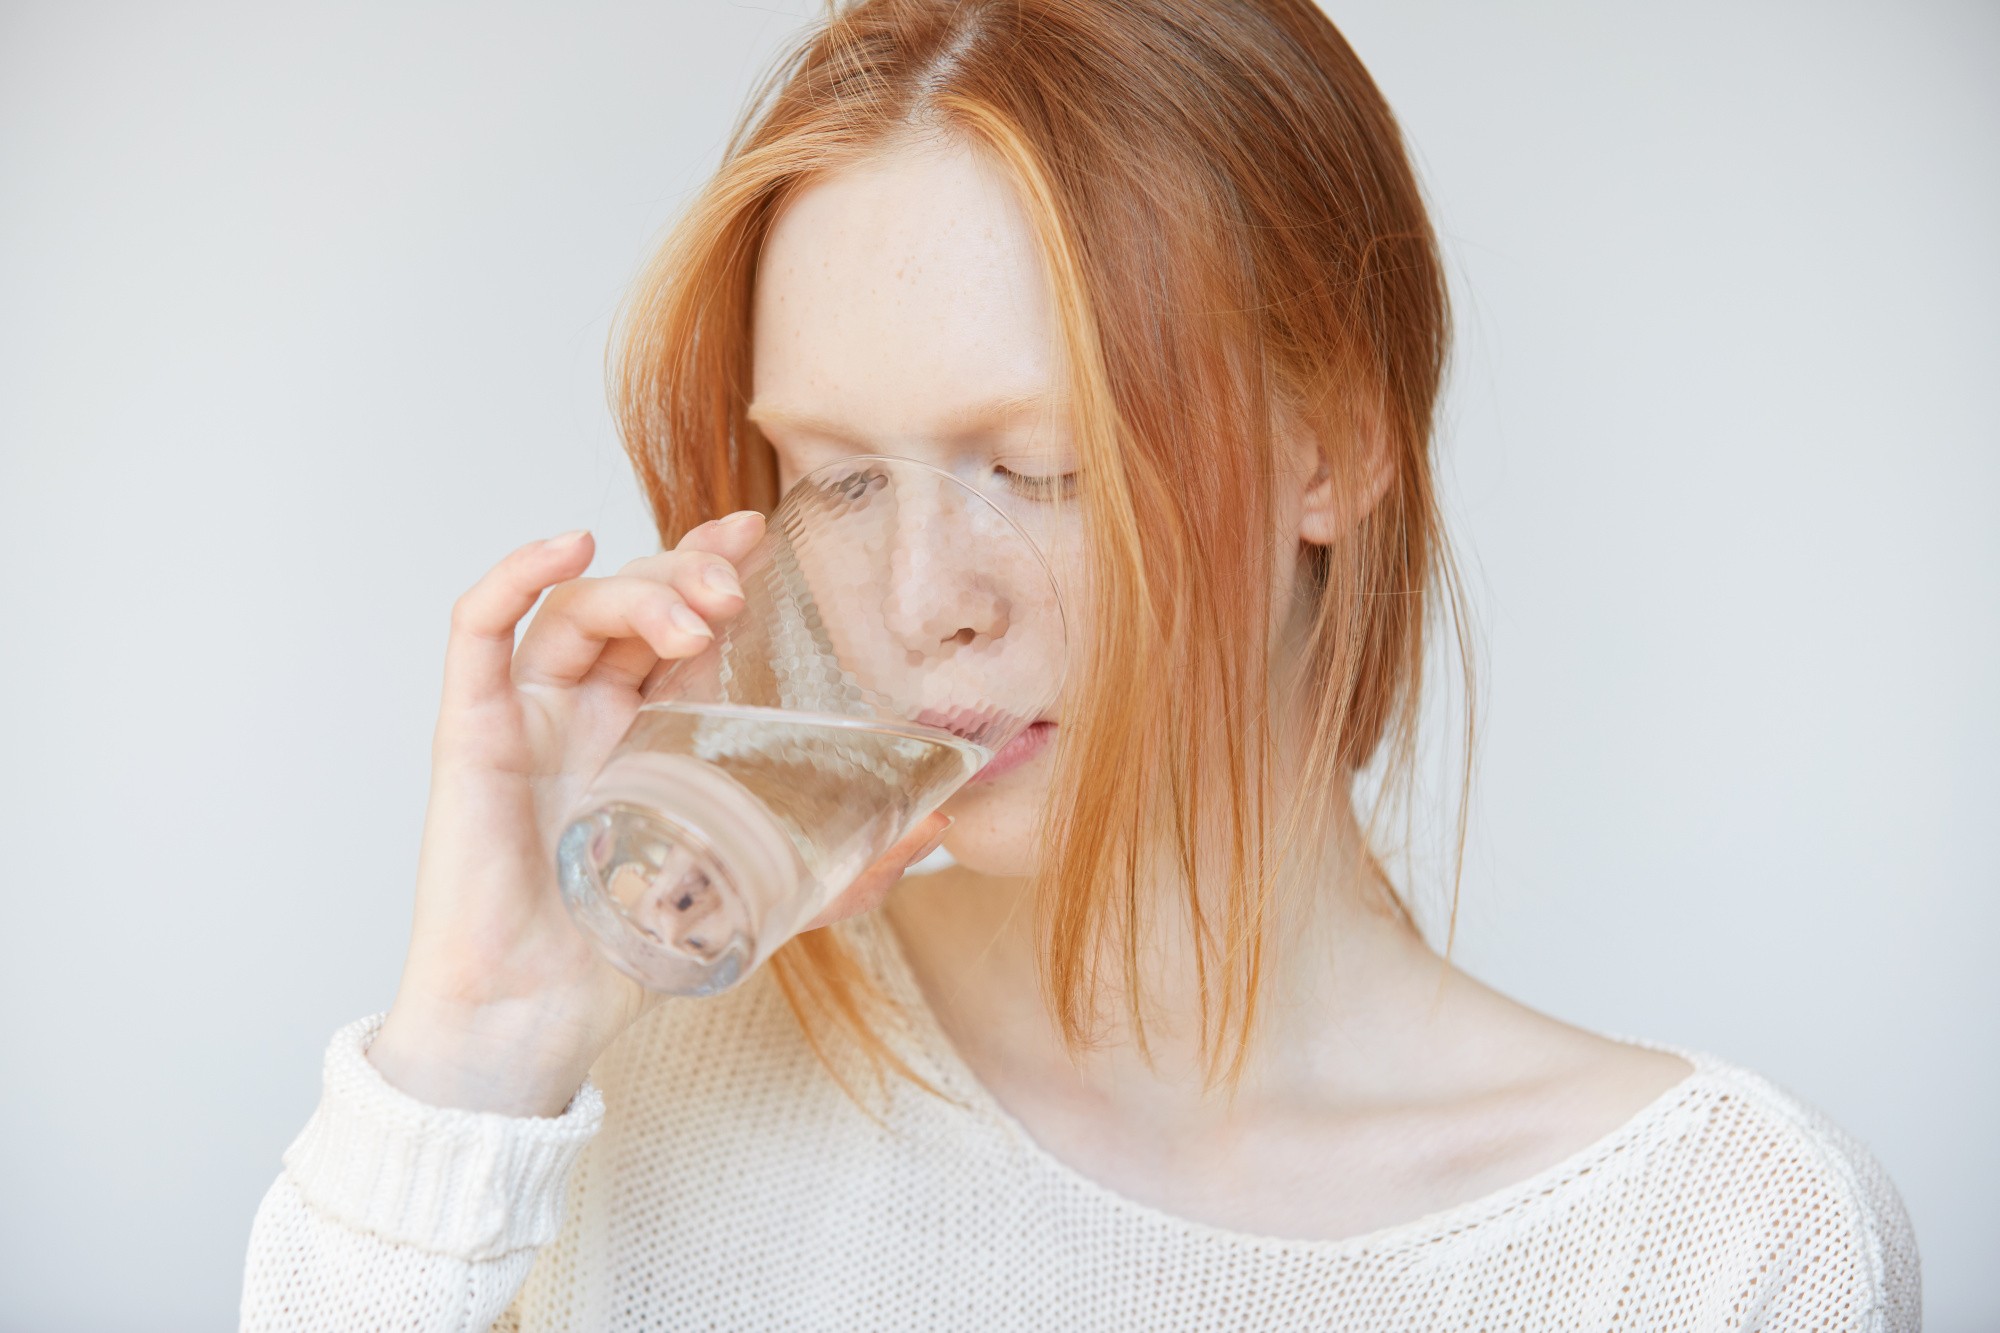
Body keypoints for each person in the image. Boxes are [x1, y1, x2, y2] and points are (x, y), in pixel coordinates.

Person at [240, 1, 1919, 1328]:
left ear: (1331, 440)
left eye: (1039, 466)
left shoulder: (1707, 1252)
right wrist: (476, 1048)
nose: (921, 599)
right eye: (837, 477)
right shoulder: (586, 1110)